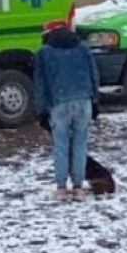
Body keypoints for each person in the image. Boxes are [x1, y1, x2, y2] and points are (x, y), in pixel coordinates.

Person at [34, 22, 100, 197]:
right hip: (83, 100)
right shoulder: (83, 48)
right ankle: (78, 187)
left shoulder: (44, 53)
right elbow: (94, 74)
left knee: (61, 145)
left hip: (59, 103)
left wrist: (41, 110)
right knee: (80, 144)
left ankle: (61, 187)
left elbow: (40, 84)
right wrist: (95, 101)